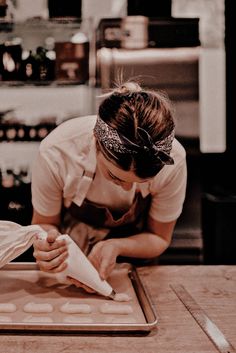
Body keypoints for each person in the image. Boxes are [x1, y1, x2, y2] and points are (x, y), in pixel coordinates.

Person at [31, 80, 187, 291]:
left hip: (136, 266)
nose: (124, 188)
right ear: (96, 141)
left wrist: (116, 246)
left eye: (140, 183)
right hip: (70, 260)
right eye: (115, 176)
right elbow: (45, 223)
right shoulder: (57, 152)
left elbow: (159, 237)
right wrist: (49, 246)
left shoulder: (173, 161)